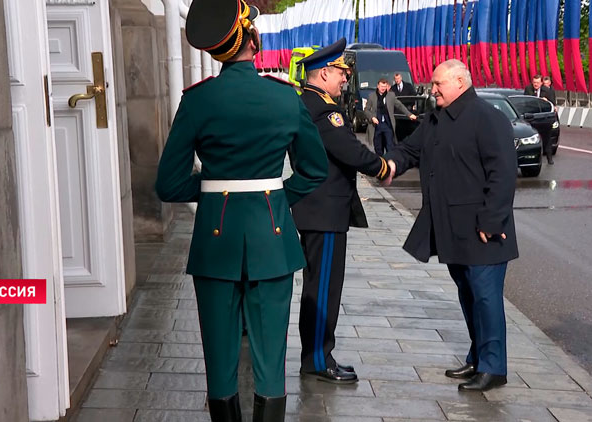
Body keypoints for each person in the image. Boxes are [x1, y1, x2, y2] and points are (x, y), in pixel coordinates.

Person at [155, 1, 328, 420]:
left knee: (219, 361)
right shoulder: (285, 97)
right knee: (271, 364)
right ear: (253, 39)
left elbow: (169, 183)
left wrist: (216, 190)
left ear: (218, 51)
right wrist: (276, 197)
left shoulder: (198, 101)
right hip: (272, 238)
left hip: (216, 242)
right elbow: (314, 168)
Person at [383, 59, 518, 392]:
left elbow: (503, 173)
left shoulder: (488, 118)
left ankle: (494, 367)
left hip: (483, 230)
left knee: (486, 299)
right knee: (469, 295)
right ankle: (477, 357)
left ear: (460, 81)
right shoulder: (435, 120)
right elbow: (409, 151)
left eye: (438, 84)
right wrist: (387, 164)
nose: (433, 90)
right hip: (452, 230)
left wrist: (491, 219)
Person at [293, 38, 392, 384]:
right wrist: (382, 167)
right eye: (340, 73)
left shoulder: (309, 104)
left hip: (318, 210)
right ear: (322, 74)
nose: (344, 80)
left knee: (319, 286)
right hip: (325, 211)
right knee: (323, 289)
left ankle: (318, 355)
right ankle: (318, 359)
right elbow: (350, 150)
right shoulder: (323, 110)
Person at [364, 78, 417, 155]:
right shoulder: (372, 96)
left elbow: (399, 105)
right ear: (378, 86)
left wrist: (409, 114)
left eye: (385, 87)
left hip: (388, 125)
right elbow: (366, 110)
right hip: (376, 126)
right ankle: (381, 163)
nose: (383, 88)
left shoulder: (391, 96)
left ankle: (389, 162)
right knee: (378, 148)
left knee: (390, 146)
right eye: (381, 86)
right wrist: (372, 117)